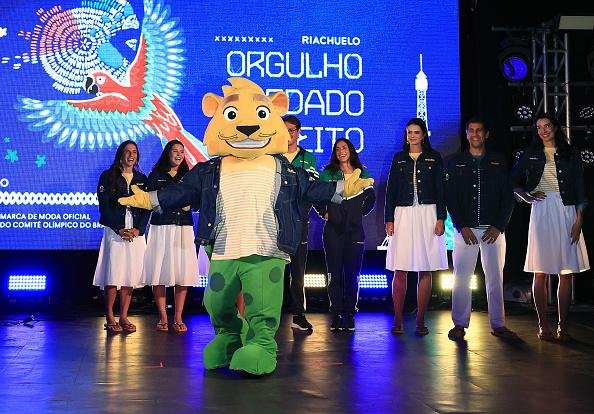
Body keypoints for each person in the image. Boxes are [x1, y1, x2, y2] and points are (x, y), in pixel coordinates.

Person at [511, 112, 589, 341]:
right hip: (542, 211)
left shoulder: (570, 153)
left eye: (546, 126)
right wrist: (527, 197)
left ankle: (562, 325)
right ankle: (543, 324)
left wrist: (579, 219)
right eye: (539, 127)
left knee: (566, 272)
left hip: (566, 210)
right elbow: (512, 181)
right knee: (540, 270)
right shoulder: (532, 153)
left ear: (555, 128)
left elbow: (581, 189)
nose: (543, 130)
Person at [445, 118, 517, 341]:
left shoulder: (498, 161)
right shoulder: (455, 162)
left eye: (479, 131)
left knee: (495, 277)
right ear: (466, 135)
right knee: (461, 278)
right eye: (471, 131)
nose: (475, 134)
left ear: (486, 134)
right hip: (464, 231)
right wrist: (461, 225)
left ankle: (498, 324)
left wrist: (498, 226)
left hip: (492, 230)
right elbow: (451, 198)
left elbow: (508, 197)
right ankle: (459, 324)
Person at [384, 118, 447, 336]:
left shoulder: (434, 157)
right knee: (399, 268)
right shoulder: (399, 158)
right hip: (403, 214)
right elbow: (391, 190)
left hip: (428, 213)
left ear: (423, 135)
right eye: (409, 132)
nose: (412, 136)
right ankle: (398, 319)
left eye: (416, 132)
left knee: (425, 267)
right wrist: (388, 219)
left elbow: (441, 190)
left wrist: (441, 218)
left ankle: (420, 320)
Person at [141, 140, 201, 333]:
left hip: (183, 228)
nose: (179, 154)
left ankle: (178, 316)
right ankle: (163, 317)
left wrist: (190, 204)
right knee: (159, 271)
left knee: (182, 274)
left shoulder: (189, 176)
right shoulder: (155, 175)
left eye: (181, 152)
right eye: (175, 151)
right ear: (167, 153)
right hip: (161, 228)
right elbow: (149, 202)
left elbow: (198, 202)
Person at [317, 138, 375, 332]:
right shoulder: (328, 173)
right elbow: (316, 195)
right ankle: (335, 313)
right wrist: (323, 212)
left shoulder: (363, 173)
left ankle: (349, 313)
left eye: (345, 147)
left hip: (355, 231)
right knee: (334, 274)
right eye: (338, 148)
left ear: (350, 150)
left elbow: (370, 198)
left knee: (352, 275)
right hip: (333, 231)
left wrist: (356, 213)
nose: (341, 151)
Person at [93, 140, 150, 334]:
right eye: (127, 151)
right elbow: (104, 207)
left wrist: (138, 230)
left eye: (134, 152)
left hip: (134, 234)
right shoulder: (108, 177)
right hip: (115, 232)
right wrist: (118, 228)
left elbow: (147, 207)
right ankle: (110, 317)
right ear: (120, 154)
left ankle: (124, 316)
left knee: (130, 275)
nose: (131, 155)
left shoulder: (142, 178)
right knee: (113, 274)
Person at [282, 115, 319, 331]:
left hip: (299, 220)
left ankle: (298, 315)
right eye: (284, 129)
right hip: (274, 222)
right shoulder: (272, 156)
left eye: (292, 130)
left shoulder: (308, 158)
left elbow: (313, 188)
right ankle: (269, 318)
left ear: (298, 132)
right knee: (274, 273)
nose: (288, 134)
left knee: (297, 273)